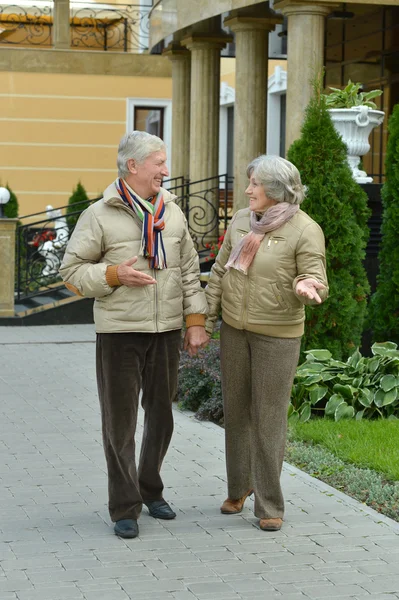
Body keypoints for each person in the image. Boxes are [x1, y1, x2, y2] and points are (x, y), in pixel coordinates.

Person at [60, 131, 208, 539]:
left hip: (166, 332)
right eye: (159, 162)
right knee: (120, 424)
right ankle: (125, 505)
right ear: (133, 166)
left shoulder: (172, 212)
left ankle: (150, 488)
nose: (166, 170)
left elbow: (190, 271)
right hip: (120, 333)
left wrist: (196, 322)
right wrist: (113, 274)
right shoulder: (99, 214)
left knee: (161, 418)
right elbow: (70, 272)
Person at [205, 155, 328, 532]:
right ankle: (238, 488)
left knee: (269, 417)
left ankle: (270, 503)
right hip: (234, 329)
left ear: (275, 189)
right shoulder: (243, 221)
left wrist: (306, 286)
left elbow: (313, 273)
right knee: (236, 410)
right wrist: (205, 320)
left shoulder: (305, 229)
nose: (247, 190)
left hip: (277, 333)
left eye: (254, 184)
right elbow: (219, 270)